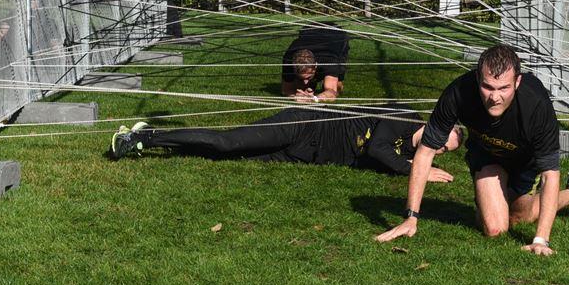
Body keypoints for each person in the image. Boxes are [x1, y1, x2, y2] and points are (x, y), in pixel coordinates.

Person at [375, 44, 569, 256]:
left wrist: (541, 240)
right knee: (495, 229)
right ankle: (500, 198)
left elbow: (550, 174)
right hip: (486, 155)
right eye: (487, 87)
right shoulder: (458, 92)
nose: (495, 97)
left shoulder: (536, 104)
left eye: (503, 88)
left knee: (519, 216)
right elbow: (425, 152)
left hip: (525, 162)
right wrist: (411, 218)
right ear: (478, 78)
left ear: (517, 82)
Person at [108, 102, 460, 179]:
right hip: (303, 126)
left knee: (225, 159)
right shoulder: (403, 116)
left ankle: (151, 144)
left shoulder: (411, 150)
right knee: (226, 144)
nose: (439, 149)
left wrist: (412, 164)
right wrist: (415, 170)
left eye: (445, 150)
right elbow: (377, 148)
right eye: (442, 141)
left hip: (306, 156)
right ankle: (144, 136)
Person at [282, 25, 349, 102]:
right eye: (301, 78)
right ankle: (311, 84)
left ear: (316, 65)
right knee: (301, 87)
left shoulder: (329, 62)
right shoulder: (288, 60)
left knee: (337, 87)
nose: (305, 82)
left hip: (336, 36)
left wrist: (315, 98)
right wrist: (295, 96)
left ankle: (318, 82)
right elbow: (286, 90)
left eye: (308, 78)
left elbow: (332, 92)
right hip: (309, 30)